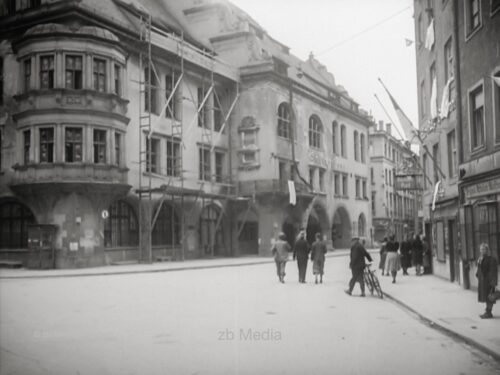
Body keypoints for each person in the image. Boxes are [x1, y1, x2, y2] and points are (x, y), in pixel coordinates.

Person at [476, 243, 498, 319]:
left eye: (484, 249)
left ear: (487, 250)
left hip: (489, 282)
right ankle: (487, 312)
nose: (482, 251)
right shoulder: (480, 258)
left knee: (490, 297)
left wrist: (493, 283)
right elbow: (479, 269)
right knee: (485, 297)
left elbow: (493, 272)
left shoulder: (491, 259)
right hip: (482, 282)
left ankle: (489, 312)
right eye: (481, 249)